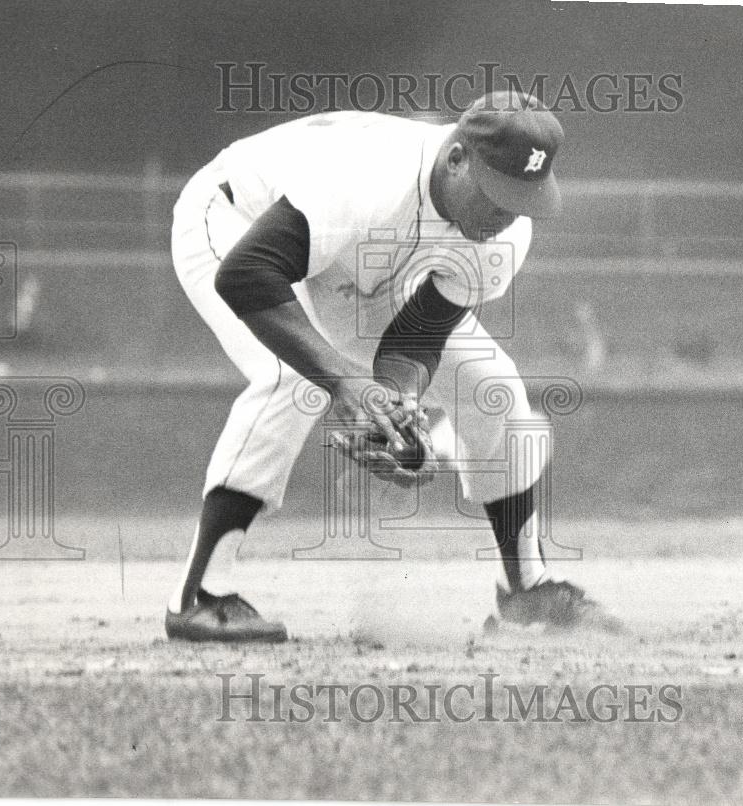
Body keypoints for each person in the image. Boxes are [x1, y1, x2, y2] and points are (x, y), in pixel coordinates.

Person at [165, 92, 607, 641]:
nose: (507, 215)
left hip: (354, 265)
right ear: (456, 160)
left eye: (524, 198)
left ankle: (528, 589)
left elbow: (417, 336)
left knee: (490, 384)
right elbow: (249, 274)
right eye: (497, 196)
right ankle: (198, 596)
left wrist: (394, 411)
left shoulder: (504, 233)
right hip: (238, 219)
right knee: (291, 379)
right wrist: (345, 382)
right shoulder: (369, 179)